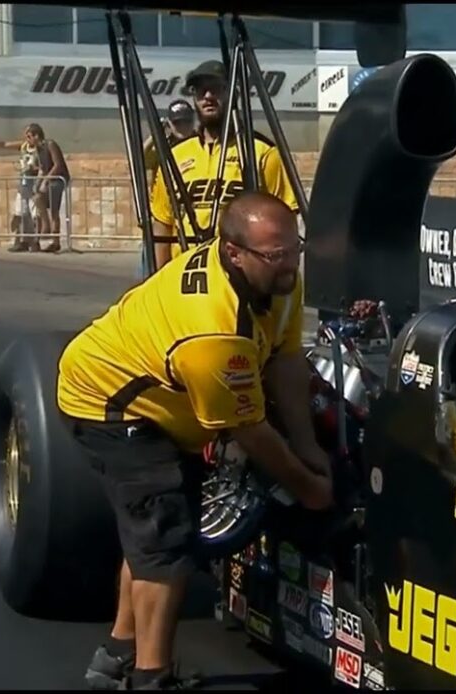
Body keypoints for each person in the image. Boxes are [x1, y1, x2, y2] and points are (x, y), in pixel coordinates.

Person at [57, 192, 333, 690]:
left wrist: (308, 444)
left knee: (151, 532)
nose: (290, 263)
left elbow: (286, 361)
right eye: (276, 255)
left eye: (296, 248)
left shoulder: (279, 278)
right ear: (233, 253)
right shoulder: (213, 332)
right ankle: (151, 677)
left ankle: (118, 652)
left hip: (165, 391)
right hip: (111, 403)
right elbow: (248, 432)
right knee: (166, 538)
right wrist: (308, 486)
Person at [149, 60, 298, 271]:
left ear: (233, 93)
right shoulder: (175, 155)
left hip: (240, 277)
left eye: (216, 88)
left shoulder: (262, 151)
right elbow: (163, 223)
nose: (208, 96)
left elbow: (285, 219)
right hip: (184, 276)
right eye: (201, 90)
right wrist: (157, 281)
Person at [136, 99, 197, 278]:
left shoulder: (200, 142)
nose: (182, 127)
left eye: (186, 122)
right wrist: (156, 133)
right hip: (162, 213)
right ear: (169, 123)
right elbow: (138, 159)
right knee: (153, 271)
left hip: (189, 215)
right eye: (177, 122)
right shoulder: (162, 146)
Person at [25, 123, 71, 253]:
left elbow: (57, 165)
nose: (28, 140)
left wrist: (46, 180)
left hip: (58, 179)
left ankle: (55, 241)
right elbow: (42, 169)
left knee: (55, 211)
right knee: (37, 198)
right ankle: (46, 225)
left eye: (29, 137)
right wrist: (37, 183)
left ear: (36, 135)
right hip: (48, 179)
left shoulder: (50, 145)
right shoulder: (38, 150)